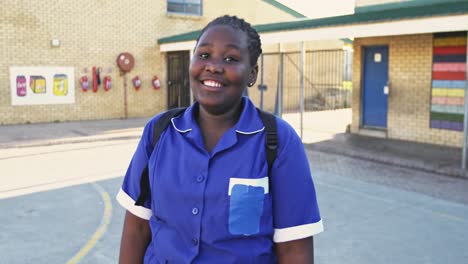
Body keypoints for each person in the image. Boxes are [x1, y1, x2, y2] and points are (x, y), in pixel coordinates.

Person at [117, 15, 323, 263]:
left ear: (252, 74)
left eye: (230, 59)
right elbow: (137, 227)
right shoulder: (159, 132)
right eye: (204, 55)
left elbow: (294, 249)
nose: (213, 66)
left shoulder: (277, 141)